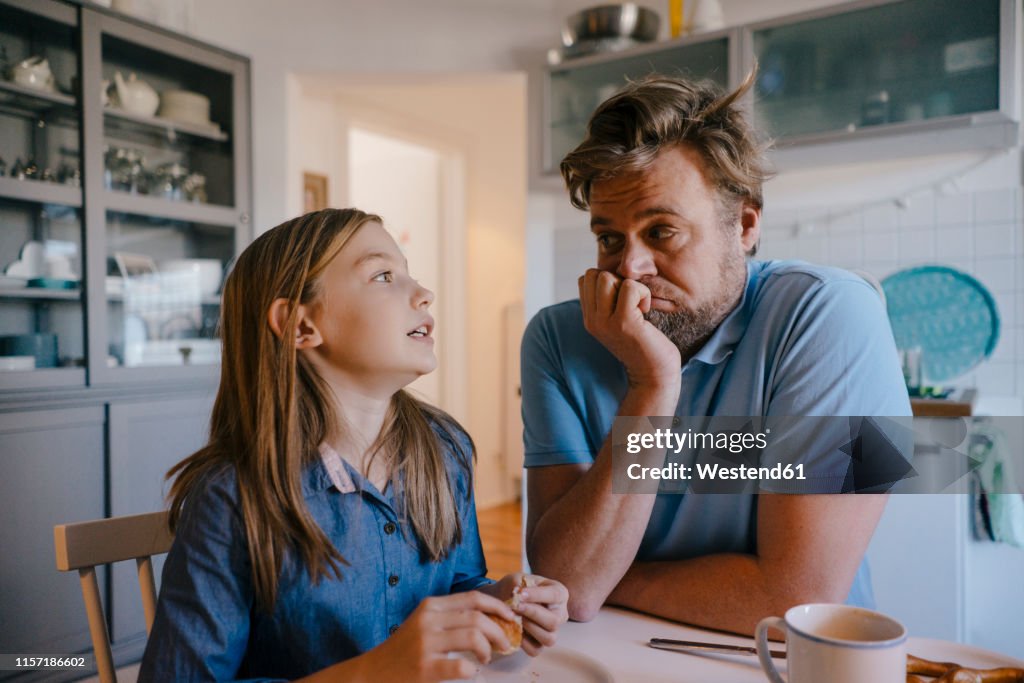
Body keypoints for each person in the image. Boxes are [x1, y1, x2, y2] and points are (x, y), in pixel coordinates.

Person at [521, 74, 912, 636]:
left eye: (662, 231)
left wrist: (602, 580)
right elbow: (564, 581)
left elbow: (795, 598)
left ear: (745, 225)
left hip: (786, 663)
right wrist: (650, 386)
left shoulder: (831, 313)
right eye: (609, 238)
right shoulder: (556, 338)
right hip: (611, 650)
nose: (630, 268)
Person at [140, 209, 568, 682]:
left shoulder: (445, 449)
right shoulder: (230, 499)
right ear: (301, 326)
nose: (424, 293)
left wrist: (498, 600)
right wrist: (374, 672)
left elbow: (460, 583)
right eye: (384, 275)